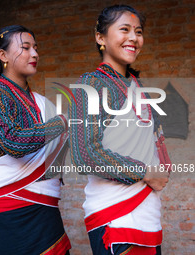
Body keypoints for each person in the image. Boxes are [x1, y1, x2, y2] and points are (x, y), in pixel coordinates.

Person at [69, 5, 170, 255]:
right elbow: (85, 155)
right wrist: (146, 172)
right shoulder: (92, 84)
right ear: (100, 37)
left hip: (147, 212)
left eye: (138, 31)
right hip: (115, 216)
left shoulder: (138, 86)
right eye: (124, 29)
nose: (134, 38)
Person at [0, 25, 71, 254]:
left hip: (46, 210)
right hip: (8, 211)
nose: (35, 54)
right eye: (26, 48)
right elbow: (14, 142)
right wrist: (63, 122)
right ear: (3, 55)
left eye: (36, 48)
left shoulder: (41, 102)